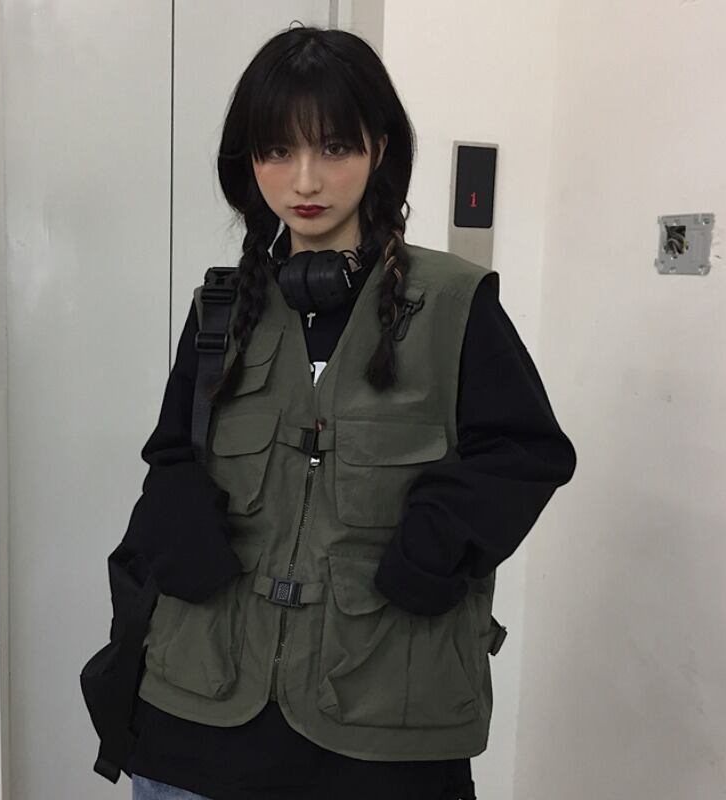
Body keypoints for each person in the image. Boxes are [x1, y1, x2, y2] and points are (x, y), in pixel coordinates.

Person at [120, 22, 577, 800]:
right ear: (248, 162)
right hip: (198, 714)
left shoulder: (454, 304)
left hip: (382, 725)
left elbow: (526, 454)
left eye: (334, 147)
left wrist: (431, 552)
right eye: (276, 150)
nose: (304, 180)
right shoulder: (221, 311)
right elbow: (171, 453)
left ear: (379, 150)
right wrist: (182, 530)